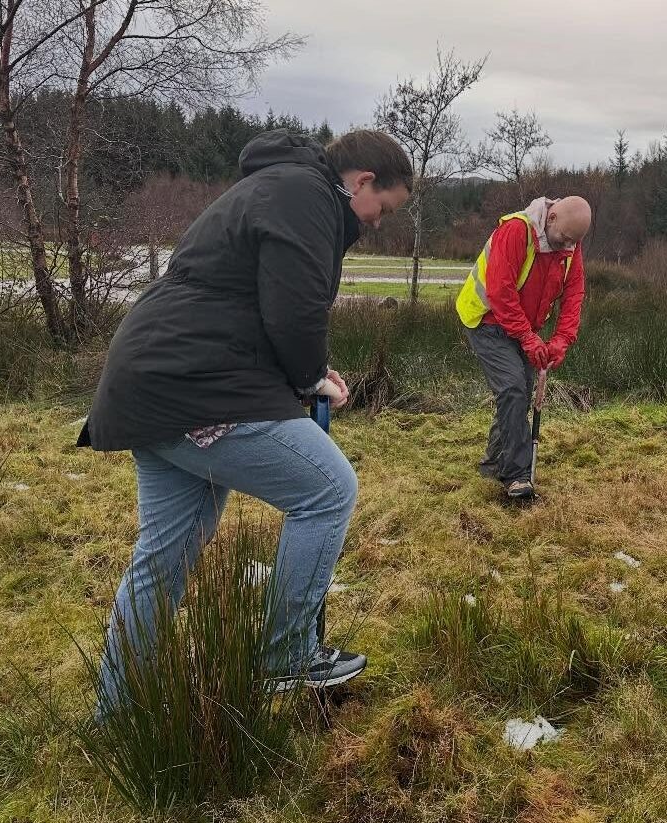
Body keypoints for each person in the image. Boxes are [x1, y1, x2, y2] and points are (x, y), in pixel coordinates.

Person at [79, 128, 412, 712]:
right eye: (383, 208)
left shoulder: (278, 185)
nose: (378, 222)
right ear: (363, 181)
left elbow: (254, 302)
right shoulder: (308, 195)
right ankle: (287, 655)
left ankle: (118, 711)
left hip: (152, 378)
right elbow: (295, 310)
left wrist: (311, 373)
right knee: (328, 490)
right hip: (194, 383)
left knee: (164, 556)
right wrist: (310, 378)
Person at [455, 196, 592, 499]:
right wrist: (529, 339)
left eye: (574, 242)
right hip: (485, 318)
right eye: (564, 238)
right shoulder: (517, 230)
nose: (567, 246)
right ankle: (516, 476)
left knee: (519, 391)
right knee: (513, 388)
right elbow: (500, 292)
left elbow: (574, 294)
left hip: (523, 325)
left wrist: (561, 340)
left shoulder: (570, 244)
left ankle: (493, 463)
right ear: (551, 217)